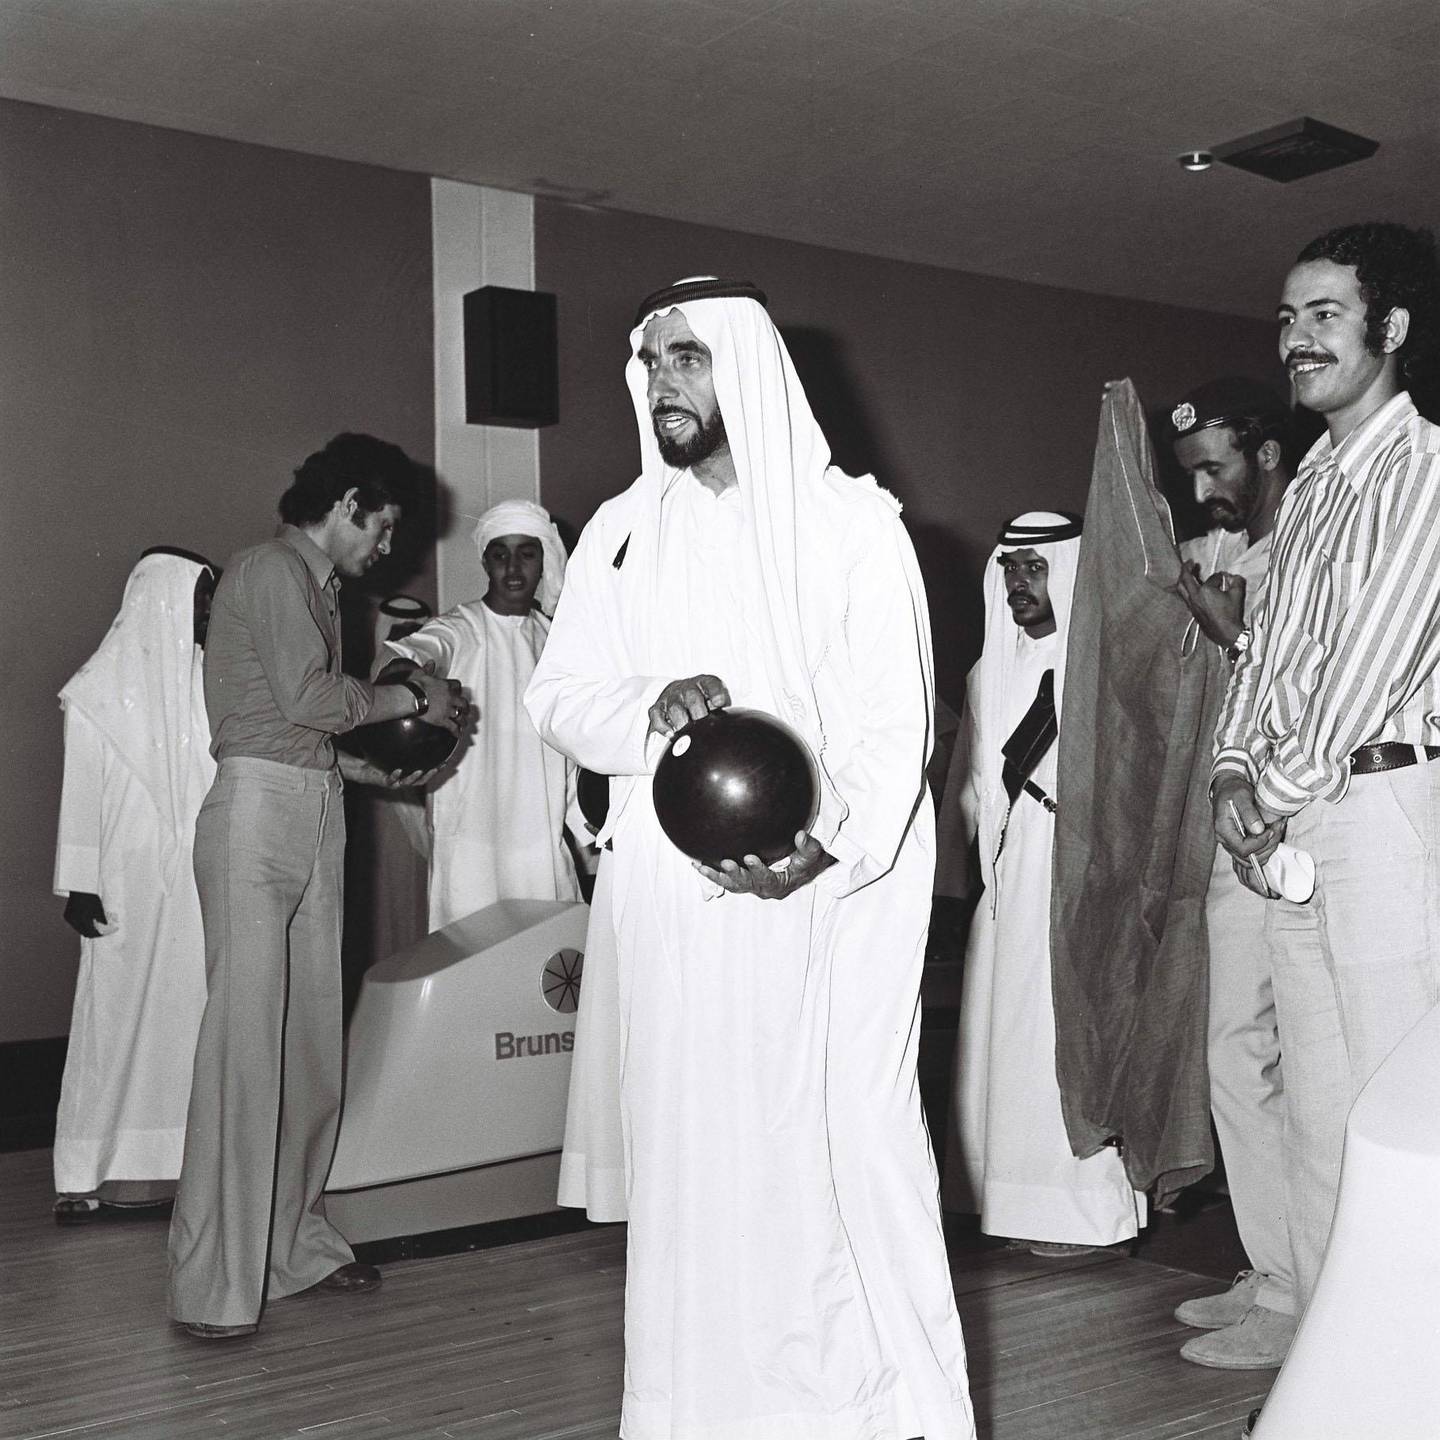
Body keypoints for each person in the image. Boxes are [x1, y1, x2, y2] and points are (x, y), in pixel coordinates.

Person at [525, 277, 975, 1439]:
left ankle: (859, 1412)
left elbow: (896, 727)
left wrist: (825, 851)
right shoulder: (622, 531)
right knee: (695, 1158)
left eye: (688, 358)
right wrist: (645, 705)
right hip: (674, 906)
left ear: (750, 369)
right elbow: (561, 695)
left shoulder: (852, 527)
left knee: (819, 1153)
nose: (665, 381)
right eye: (653, 361)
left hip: (822, 897)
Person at [167, 433, 465, 1340]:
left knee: (308, 1053)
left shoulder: (327, 589)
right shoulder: (268, 568)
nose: (388, 548)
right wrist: (417, 702)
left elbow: (298, 723)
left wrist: (373, 777)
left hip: (314, 803)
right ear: (347, 506)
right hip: (256, 817)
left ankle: (292, 1249)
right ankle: (213, 1284)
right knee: (244, 1051)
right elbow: (305, 699)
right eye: (384, 528)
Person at [1212, 223, 1440, 1332]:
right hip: (1302, 815)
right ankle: (1326, 1353)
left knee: (1400, 1112)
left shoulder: (1425, 469)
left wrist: (1272, 790)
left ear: (1390, 330)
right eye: (1287, 318)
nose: (1295, 341)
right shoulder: (1305, 487)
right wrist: (1228, 774)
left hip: (1384, 811)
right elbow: (1265, 653)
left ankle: (1410, 1369)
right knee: (1315, 1103)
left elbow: (1369, 664)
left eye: (1324, 316)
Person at [946, 513, 1144, 1255]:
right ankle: (1006, 1202)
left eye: (1034, 568)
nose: (1019, 583)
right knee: (1001, 1036)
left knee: (1063, 1038)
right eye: (1009, 569)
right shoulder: (986, 669)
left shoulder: (1102, 662)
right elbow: (963, 792)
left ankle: (1083, 1217)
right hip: (1007, 875)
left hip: (1077, 867)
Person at [1164, 380, 1301, 1368]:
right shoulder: (1240, 553)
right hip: (1234, 823)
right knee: (1235, 1054)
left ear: (1265, 449)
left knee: (1279, 1061)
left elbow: (1313, 679)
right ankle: (1275, 1267)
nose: (1204, 486)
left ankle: (1300, 1293)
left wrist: (1231, 632)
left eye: (1217, 464)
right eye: (1190, 473)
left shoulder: (1307, 538)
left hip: (1290, 826)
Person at [51, 548, 217, 1224]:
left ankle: (182, 1169)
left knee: (190, 1020)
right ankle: (92, 1170)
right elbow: (80, 790)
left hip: (195, 880)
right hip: (124, 881)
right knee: (114, 1023)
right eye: (203, 598)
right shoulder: (94, 691)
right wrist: (80, 883)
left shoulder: (211, 679)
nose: (210, 612)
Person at [377, 499, 583, 930]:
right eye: (500, 554)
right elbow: (411, 654)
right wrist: (407, 673)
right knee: (467, 971)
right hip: (469, 844)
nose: (512, 568)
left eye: (526, 554)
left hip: (540, 840)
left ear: (544, 559)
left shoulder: (558, 641)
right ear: (485, 561)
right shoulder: (460, 627)